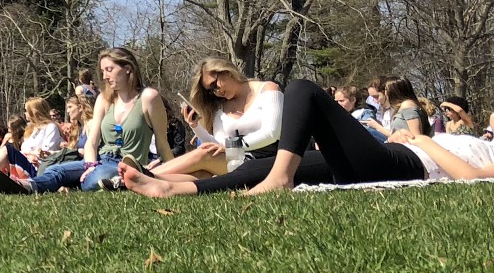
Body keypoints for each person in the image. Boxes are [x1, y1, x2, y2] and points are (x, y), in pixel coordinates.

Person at [122, 79, 431, 198]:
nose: (216, 89)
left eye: (218, 81)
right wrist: (197, 129)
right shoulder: (221, 109)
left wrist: (423, 141)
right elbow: (216, 139)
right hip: (364, 165)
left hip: (405, 162)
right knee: (249, 172)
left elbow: (478, 175)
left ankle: (281, 178)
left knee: (301, 89)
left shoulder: (264, 89)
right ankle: (170, 187)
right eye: (210, 88)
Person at [0, 47, 172, 194]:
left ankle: (110, 183)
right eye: (103, 71)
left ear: (127, 68)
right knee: (58, 170)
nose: (105, 76)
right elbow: (92, 142)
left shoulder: (148, 98)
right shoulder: (104, 100)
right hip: (100, 160)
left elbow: (163, 145)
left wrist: (174, 173)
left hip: (129, 163)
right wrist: (90, 165)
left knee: (96, 178)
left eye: (109, 69)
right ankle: (25, 186)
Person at [143, 58, 282, 182]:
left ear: (227, 71)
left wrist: (231, 146)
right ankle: (148, 181)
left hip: (269, 161)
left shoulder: (268, 88)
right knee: (202, 174)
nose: (216, 92)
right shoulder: (220, 106)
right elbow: (217, 145)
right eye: (211, 90)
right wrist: (195, 126)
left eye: (215, 85)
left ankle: (143, 176)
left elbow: (272, 133)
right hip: (235, 161)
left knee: (203, 153)